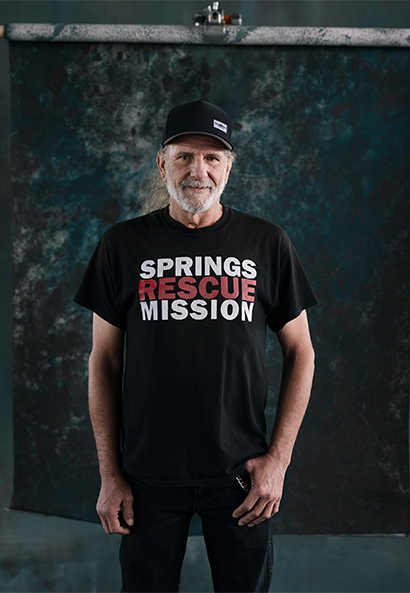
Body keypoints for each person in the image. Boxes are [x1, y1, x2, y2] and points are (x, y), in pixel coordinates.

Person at [76, 99, 318, 593]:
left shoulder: (266, 243)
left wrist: (278, 461)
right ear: (162, 164)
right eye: (185, 156)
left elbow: (302, 352)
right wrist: (110, 473)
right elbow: (102, 361)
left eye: (212, 158)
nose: (198, 171)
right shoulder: (121, 246)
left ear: (229, 167)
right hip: (147, 476)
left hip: (241, 476)